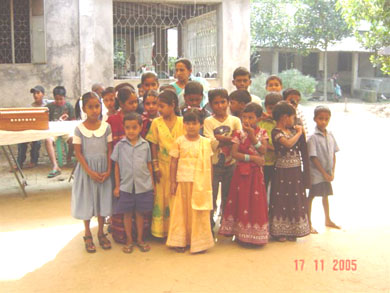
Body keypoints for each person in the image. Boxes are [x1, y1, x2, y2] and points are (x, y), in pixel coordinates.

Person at [219, 103, 269, 245]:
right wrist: (252, 158)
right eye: (244, 117)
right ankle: (240, 234)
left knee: (255, 201)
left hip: (256, 174)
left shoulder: (262, 133)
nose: (247, 121)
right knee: (241, 199)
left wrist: (253, 137)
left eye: (251, 117)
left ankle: (255, 235)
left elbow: (264, 151)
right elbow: (235, 153)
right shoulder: (238, 134)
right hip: (241, 173)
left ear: (258, 118)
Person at [167, 109, 214, 253]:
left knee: (198, 212)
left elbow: (209, 163)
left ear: (200, 125)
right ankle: (180, 241)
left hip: (200, 184)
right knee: (181, 212)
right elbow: (173, 162)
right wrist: (173, 182)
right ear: (184, 125)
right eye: (187, 123)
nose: (191, 126)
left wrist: (209, 183)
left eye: (194, 123)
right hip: (182, 181)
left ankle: (199, 243)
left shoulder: (206, 142)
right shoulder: (179, 141)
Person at [71, 92, 113, 253]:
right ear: (84, 109)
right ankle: (88, 234)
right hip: (87, 171)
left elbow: (109, 150)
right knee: (88, 201)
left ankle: (101, 232)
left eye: (97, 106)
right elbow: (78, 153)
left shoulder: (106, 127)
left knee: (102, 201)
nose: (94, 110)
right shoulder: (79, 129)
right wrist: (89, 171)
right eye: (90, 107)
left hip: (103, 170)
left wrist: (108, 169)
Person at [111, 113, 155, 253]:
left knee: (140, 214)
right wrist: (117, 186)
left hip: (143, 186)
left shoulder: (145, 145)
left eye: (134, 127)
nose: (131, 131)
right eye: (127, 127)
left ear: (141, 127)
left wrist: (151, 184)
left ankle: (140, 240)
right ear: (124, 128)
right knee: (127, 214)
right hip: (126, 186)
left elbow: (149, 165)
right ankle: (129, 240)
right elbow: (116, 167)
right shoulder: (119, 146)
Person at [269, 101, 310, 242]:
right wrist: (299, 132)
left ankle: (293, 230)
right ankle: (280, 231)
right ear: (284, 117)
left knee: (295, 198)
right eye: (292, 118)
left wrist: (298, 132)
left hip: (296, 170)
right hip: (282, 171)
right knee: (282, 198)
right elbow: (288, 144)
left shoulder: (292, 131)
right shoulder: (276, 132)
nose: (293, 121)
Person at [146, 90, 184, 238]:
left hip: (179, 168)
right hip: (162, 167)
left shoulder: (182, 122)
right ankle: (162, 231)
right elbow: (153, 145)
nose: (159, 109)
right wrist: (155, 167)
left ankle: (177, 231)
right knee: (162, 197)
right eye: (158, 106)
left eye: (161, 106)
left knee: (177, 197)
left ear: (172, 105)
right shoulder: (156, 123)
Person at [203, 89, 242, 228]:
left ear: (228, 102)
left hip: (231, 164)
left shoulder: (235, 120)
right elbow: (210, 143)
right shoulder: (208, 121)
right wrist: (229, 139)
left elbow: (239, 140)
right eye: (216, 103)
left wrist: (220, 138)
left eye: (223, 102)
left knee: (228, 195)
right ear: (210, 104)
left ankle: (227, 224)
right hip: (213, 165)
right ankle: (209, 224)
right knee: (211, 195)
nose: (220, 106)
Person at [107, 86, 139, 244]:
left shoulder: (140, 120)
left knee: (137, 201)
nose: (134, 105)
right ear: (121, 102)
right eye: (130, 102)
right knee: (120, 199)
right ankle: (121, 233)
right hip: (118, 167)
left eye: (136, 102)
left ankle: (138, 234)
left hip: (136, 168)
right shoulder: (112, 121)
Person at [307, 106, 340, 233]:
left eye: (326, 119)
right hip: (316, 173)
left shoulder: (330, 134)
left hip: (328, 172)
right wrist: (324, 173)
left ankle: (328, 219)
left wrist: (332, 171)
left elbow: (334, 153)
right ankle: (308, 223)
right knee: (311, 196)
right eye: (321, 119)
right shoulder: (313, 137)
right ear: (315, 119)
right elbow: (313, 157)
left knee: (325, 195)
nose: (324, 122)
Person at [16, 85, 50, 169]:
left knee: (37, 142)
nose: (35, 95)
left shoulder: (49, 105)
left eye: (38, 93)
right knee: (21, 141)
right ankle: (19, 162)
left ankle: (33, 161)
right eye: (34, 93)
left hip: (46, 129)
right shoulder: (31, 107)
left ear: (43, 94)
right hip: (34, 129)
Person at [46, 86, 75, 177]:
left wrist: (67, 121)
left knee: (73, 139)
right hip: (53, 130)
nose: (59, 101)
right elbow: (44, 120)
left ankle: (69, 158)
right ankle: (55, 165)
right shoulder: (49, 107)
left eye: (61, 99)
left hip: (66, 130)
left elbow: (73, 121)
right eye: (56, 99)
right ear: (54, 98)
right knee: (48, 140)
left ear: (64, 97)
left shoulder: (69, 106)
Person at [258, 92, 282, 193]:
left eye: (277, 109)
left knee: (276, 190)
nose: (273, 112)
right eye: (271, 108)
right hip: (264, 162)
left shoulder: (282, 123)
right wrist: (273, 149)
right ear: (266, 107)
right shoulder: (261, 122)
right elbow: (259, 140)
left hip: (279, 162)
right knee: (263, 187)